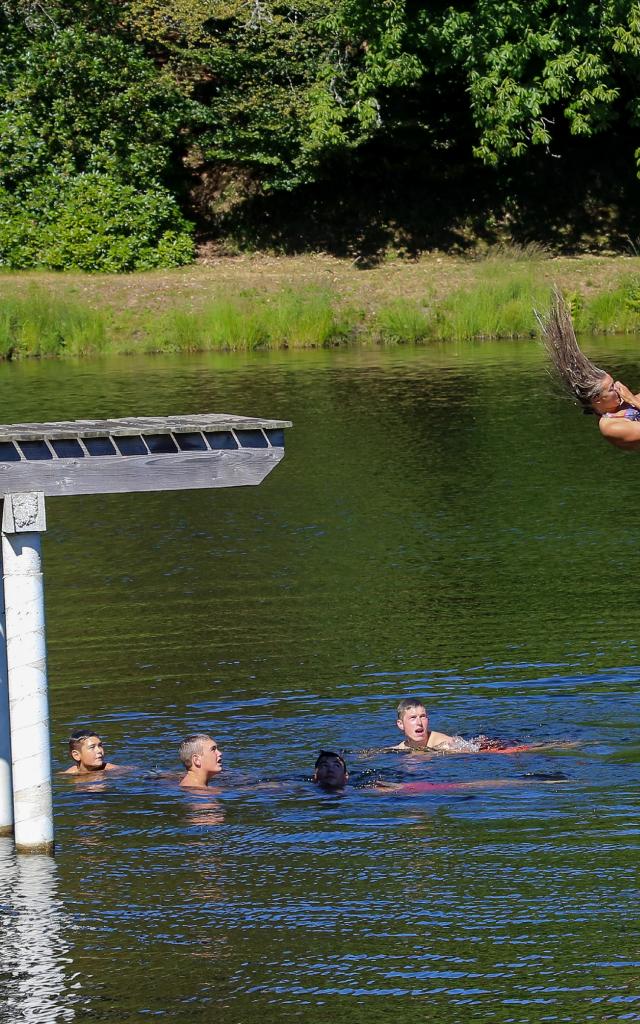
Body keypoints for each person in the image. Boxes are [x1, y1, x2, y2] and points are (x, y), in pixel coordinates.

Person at [539, 289, 640, 450]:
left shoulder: (620, 404)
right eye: (611, 388)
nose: (619, 388)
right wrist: (633, 400)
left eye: (613, 384)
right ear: (598, 400)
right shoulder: (610, 426)